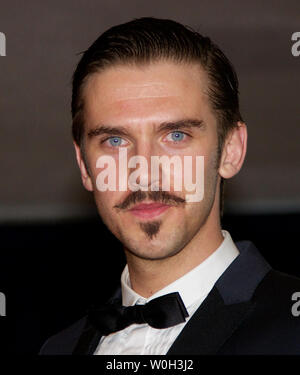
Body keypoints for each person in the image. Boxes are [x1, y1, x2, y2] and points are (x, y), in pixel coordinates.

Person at [40, 17, 300, 355]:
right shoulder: (56, 350)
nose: (144, 173)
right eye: (115, 140)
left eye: (176, 136)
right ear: (85, 167)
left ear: (231, 150)